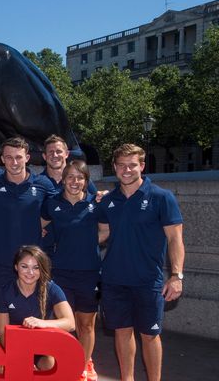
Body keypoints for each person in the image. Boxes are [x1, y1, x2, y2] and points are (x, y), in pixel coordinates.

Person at [97, 143, 184, 381]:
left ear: (142, 166)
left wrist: (176, 276)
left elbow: (175, 239)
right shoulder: (107, 201)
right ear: (114, 167)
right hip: (114, 280)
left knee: (149, 335)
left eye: (132, 165)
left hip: (148, 281)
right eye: (121, 165)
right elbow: (102, 234)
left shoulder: (161, 197)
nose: (127, 170)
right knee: (122, 333)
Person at [40, 160, 101, 381]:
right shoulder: (52, 203)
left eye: (80, 177)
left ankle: (81, 368)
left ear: (86, 181)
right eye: (70, 177)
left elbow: (105, 231)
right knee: (60, 324)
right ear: (63, 179)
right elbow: (41, 224)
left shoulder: (96, 203)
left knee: (86, 324)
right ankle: (60, 368)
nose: (75, 182)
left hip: (90, 272)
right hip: (61, 273)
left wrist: (85, 244)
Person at [0, 137, 57, 290]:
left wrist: (38, 226)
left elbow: (59, 206)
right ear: (2, 159)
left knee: (36, 311)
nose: (14, 162)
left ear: (27, 158)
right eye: (9, 157)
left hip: (33, 265)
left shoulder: (43, 184)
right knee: (2, 311)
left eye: (18, 157)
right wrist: (3, 229)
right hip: (2, 263)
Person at [0, 245, 75, 371]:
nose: (30, 272)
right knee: (2, 367)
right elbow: (1, 332)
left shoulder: (51, 289)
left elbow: (70, 323)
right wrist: (22, 358)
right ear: (16, 267)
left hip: (42, 347)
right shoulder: (5, 292)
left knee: (50, 364)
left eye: (36, 267)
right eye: (24, 266)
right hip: (14, 347)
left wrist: (42, 323)